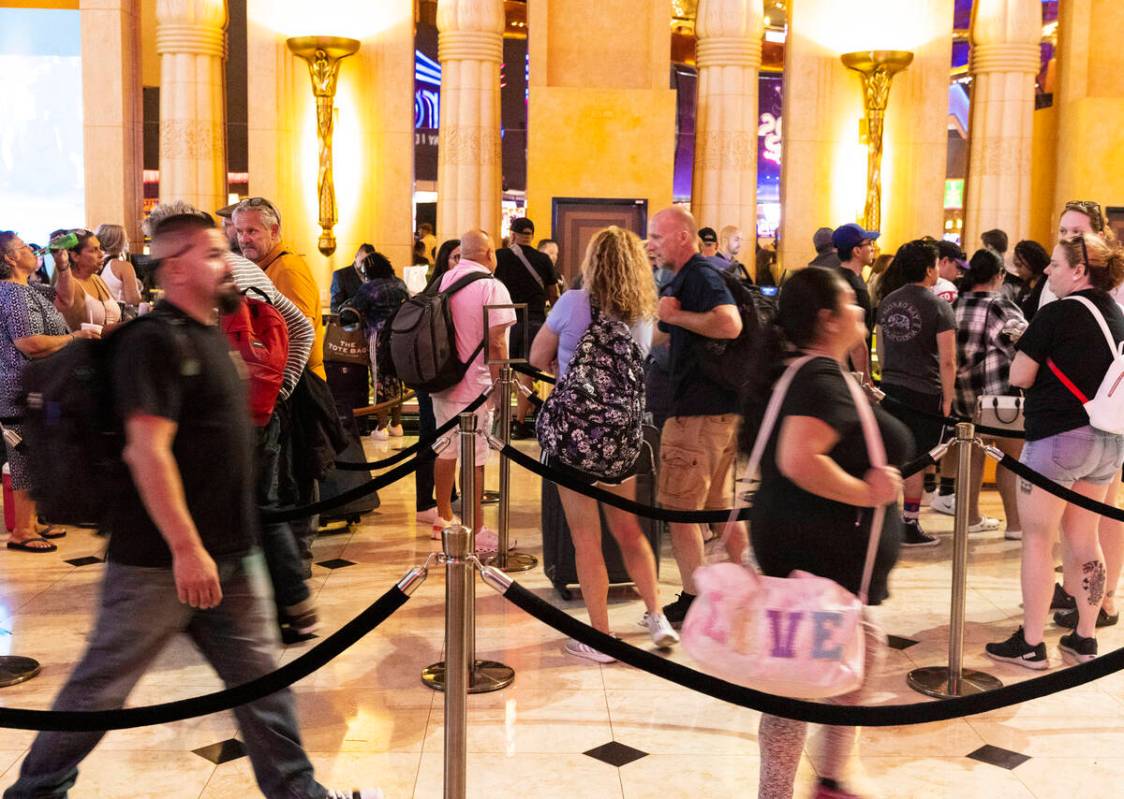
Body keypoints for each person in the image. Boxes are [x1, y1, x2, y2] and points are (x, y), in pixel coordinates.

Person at [1, 214, 382, 799]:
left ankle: (300, 793)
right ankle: (34, 792)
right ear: (175, 265)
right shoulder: (154, 341)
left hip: (226, 552)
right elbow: (146, 451)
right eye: (211, 253)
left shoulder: (208, 331)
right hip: (158, 561)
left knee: (263, 689)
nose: (225, 261)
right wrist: (185, 549)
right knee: (101, 687)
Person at [746, 267, 907, 799]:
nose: (862, 311)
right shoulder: (818, 377)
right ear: (828, 318)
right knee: (799, 682)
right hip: (815, 555)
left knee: (852, 658)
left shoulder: (810, 372)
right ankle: (798, 788)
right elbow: (799, 459)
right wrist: (868, 493)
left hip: (816, 556)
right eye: (852, 303)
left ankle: (833, 778)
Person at [143, 199, 318, 641]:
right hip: (248, 415)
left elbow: (298, 326)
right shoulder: (236, 273)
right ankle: (285, 599)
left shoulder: (230, 276)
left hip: (245, 418)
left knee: (256, 504)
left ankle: (288, 598)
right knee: (257, 504)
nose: (236, 245)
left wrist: (281, 387)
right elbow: (300, 328)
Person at [529, 226, 678, 661]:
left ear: (591, 262)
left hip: (573, 440)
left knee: (586, 539)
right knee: (629, 530)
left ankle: (599, 638)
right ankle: (656, 616)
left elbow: (538, 357)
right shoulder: (643, 314)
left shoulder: (572, 303)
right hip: (622, 438)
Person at [985, 233, 1124, 668]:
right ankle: (1083, 637)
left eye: (1057, 264)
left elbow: (1021, 375)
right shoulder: (1116, 314)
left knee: (1038, 540)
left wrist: (1023, 347)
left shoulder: (1057, 313)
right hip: (1107, 441)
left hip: (1057, 439)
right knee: (1084, 539)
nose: (1048, 270)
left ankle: (1031, 642)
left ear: (1080, 271)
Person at [646, 206, 746, 626]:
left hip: (697, 413)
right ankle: (747, 585)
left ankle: (694, 598)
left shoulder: (700, 275)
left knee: (681, 510)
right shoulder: (686, 277)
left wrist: (675, 317)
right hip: (716, 410)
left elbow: (730, 324)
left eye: (658, 236)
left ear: (683, 238)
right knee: (719, 508)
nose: (650, 244)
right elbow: (663, 335)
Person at [233, 196, 326, 577]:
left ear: (275, 231)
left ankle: (297, 562)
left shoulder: (287, 268)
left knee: (296, 473)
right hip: (279, 384)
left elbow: (301, 329)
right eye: (239, 231)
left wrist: (282, 387)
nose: (244, 239)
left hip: (296, 383)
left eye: (252, 230)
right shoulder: (262, 267)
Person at [0, 230, 95, 553]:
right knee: (24, 452)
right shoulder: (12, 293)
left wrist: (63, 263)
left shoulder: (28, 289)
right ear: (10, 258)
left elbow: (65, 299)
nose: (31, 249)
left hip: (36, 384)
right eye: (24, 247)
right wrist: (74, 339)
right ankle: (22, 530)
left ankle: (33, 520)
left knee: (34, 447)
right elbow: (30, 344)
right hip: (18, 384)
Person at [430, 229, 516, 549]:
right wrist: (501, 388)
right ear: (490, 253)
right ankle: (476, 530)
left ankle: (443, 517)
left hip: (442, 381)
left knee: (445, 447)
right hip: (475, 386)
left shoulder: (441, 282)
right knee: (475, 457)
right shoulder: (491, 287)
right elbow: (496, 343)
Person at [874, 239, 956, 547]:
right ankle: (909, 523)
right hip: (925, 391)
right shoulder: (939, 305)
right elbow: (947, 359)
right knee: (917, 460)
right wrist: (948, 399)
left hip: (891, 388)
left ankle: (885, 519)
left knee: (892, 455)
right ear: (928, 270)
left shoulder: (888, 301)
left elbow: (881, 348)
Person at [947, 249, 1028, 538]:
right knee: (1011, 459)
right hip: (998, 394)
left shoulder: (954, 304)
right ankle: (1016, 525)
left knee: (971, 456)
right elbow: (1023, 342)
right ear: (998, 276)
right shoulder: (999, 306)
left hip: (961, 393)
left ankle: (969, 518)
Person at [494, 217, 559, 439]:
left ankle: (499, 418)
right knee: (526, 374)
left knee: (500, 370)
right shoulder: (543, 259)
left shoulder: (499, 257)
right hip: (534, 321)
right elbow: (553, 294)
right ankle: (520, 423)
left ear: (512, 234)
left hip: (504, 320)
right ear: (531, 236)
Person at [413, 238, 462, 526]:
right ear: (444, 260)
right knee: (431, 435)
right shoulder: (435, 295)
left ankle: (448, 494)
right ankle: (424, 502)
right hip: (432, 375)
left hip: (443, 374)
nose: (460, 262)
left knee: (446, 436)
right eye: (455, 257)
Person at [349, 250, 408, 439]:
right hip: (400, 336)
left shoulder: (369, 288)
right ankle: (397, 425)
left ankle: (381, 427)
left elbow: (355, 309)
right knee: (398, 382)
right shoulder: (399, 283)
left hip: (378, 338)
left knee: (379, 381)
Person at [831, 223, 877, 382]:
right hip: (850, 373)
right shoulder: (856, 287)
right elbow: (857, 341)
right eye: (869, 244)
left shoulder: (834, 277)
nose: (873, 248)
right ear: (856, 251)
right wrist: (865, 378)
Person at [58, 230, 122, 332]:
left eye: (100, 248)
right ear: (75, 256)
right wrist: (129, 325)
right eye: (94, 250)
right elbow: (80, 331)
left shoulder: (96, 279)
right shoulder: (71, 285)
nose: (101, 254)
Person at [95, 223, 143, 306]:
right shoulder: (124, 267)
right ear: (121, 242)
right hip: (119, 315)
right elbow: (133, 300)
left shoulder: (92, 262)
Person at [1007, 239, 1051, 320]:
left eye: (1019, 265)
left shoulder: (1048, 284)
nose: (1017, 270)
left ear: (1032, 261)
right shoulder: (1027, 284)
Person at [330, 243, 373, 312]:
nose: (365, 265)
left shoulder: (375, 276)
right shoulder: (341, 275)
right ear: (356, 256)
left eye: (368, 262)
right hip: (350, 321)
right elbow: (334, 306)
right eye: (362, 261)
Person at [933, 239, 967, 304]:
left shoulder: (919, 282)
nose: (959, 272)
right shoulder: (946, 287)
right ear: (945, 261)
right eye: (957, 267)